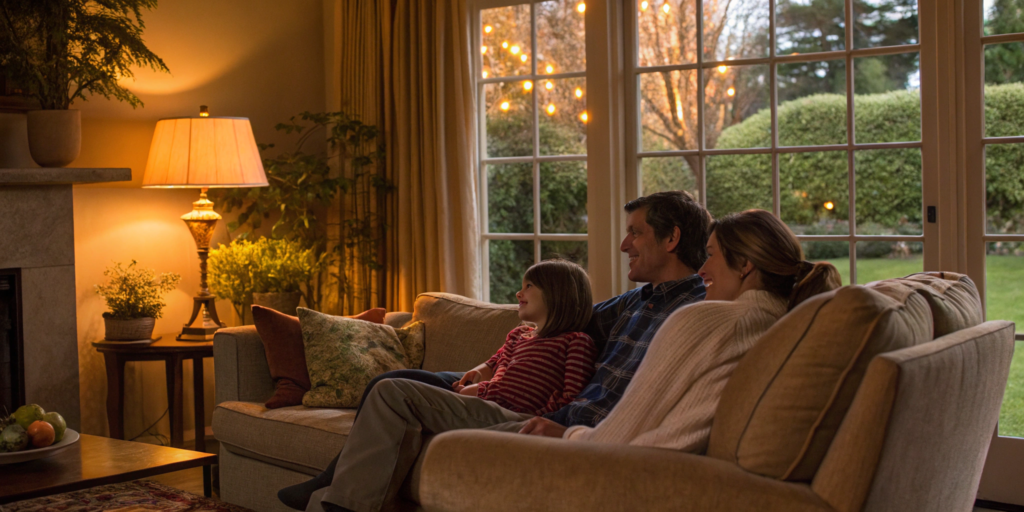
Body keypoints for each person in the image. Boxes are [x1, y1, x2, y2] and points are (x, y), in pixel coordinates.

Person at [281, 191, 712, 512]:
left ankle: (337, 498)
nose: (623, 245)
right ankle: (334, 486)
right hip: (515, 389)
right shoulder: (637, 300)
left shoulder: (695, 315)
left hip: (556, 418)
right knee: (391, 382)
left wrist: (563, 424)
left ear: (671, 238)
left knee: (396, 394)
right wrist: (491, 365)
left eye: (635, 233)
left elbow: (628, 394)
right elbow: (565, 316)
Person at [525, 209, 841, 452]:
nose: (703, 269)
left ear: (744, 264)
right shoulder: (781, 325)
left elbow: (614, 439)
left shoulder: (705, 320)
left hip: (611, 467)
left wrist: (567, 434)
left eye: (712, 254)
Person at [451, 259, 598, 415]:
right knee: (430, 381)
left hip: (517, 416)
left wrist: (539, 418)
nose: (518, 293)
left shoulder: (576, 342)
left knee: (425, 395)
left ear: (557, 293)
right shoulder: (517, 335)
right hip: (489, 399)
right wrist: (476, 385)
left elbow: (572, 398)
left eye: (528, 286)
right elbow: (498, 371)